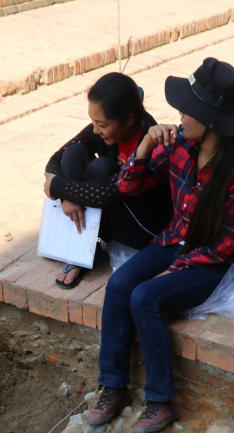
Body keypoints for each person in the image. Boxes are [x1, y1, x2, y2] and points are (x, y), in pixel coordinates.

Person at [87, 57, 234, 433]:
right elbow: (127, 186)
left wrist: (173, 270)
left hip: (209, 261)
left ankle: (161, 400)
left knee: (145, 297)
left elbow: (223, 249)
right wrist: (146, 144)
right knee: (119, 285)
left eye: (187, 108)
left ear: (210, 118)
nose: (180, 114)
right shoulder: (180, 143)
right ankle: (113, 386)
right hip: (172, 241)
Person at [44, 72, 172, 289]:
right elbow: (57, 158)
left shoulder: (153, 144)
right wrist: (67, 197)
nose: (95, 130)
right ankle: (81, 250)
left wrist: (58, 187)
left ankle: (84, 248)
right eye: (93, 121)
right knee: (74, 152)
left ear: (128, 119)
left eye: (101, 124)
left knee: (101, 168)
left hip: (144, 229)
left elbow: (110, 191)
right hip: (112, 210)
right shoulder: (107, 128)